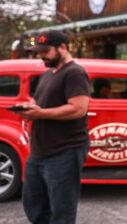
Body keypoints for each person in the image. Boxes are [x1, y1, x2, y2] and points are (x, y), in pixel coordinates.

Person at [17, 30, 90, 224]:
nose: (42, 56)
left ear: (62, 48)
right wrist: (30, 106)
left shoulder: (75, 72)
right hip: (40, 151)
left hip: (65, 150)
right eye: (38, 52)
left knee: (62, 209)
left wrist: (40, 114)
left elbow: (78, 109)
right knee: (33, 203)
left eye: (45, 51)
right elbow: (39, 100)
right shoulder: (49, 73)